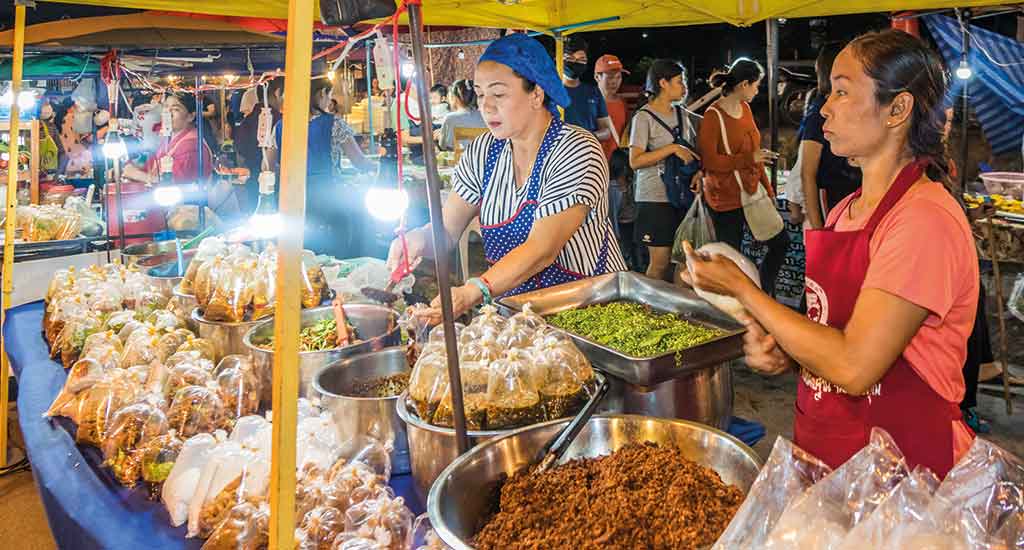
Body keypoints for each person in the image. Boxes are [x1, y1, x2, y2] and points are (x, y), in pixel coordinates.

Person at [683, 30, 979, 478]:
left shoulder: (923, 220)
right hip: (831, 458)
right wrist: (785, 354)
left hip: (906, 476)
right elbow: (828, 337)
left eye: (842, 91)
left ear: (898, 109)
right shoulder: (843, 211)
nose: (824, 106)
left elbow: (854, 365)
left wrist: (743, 290)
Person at [387, 33, 627, 321]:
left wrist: (474, 290)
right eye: (480, 94)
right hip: (519, 313)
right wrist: (418, 238)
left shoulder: (577, 149)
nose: (486, 106)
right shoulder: (483, 151)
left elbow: (542, 249)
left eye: (498, 94)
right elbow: (447, 230)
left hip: (590, 311)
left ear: (536, 94)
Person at [698, 58, 789, 297]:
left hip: (751, 191)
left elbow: (755, 156)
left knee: (781, 242)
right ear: (744, 84)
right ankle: (735, 306)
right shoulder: (713, 116)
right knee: (730, 256)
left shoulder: (746, 109)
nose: (758, 91)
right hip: (724, 197)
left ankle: (762, 291)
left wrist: (768, 191)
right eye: (756, 85)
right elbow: (710, 162)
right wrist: (749, 158)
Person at [629, 59, 701, 282]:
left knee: (682, 261)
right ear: (663, 83)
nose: (684, 87)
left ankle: (678, 314)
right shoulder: (643, 117)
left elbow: (693, 151)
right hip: (654, 198)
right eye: (680, 82)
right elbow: (635, 160)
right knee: (659, 263)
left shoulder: (683, 114)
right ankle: (651, 313)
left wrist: (698, 172)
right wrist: (672, 149)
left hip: (681, 197)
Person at [801, 44, 862, 228]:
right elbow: (807, 173)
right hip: (833, 197)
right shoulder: (819, 111)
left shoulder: (853, 105)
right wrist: (817, 228)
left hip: (855, 194)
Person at [122, 92, 213, 185]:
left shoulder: (191, 146)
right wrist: (129, 168)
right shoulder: (169, 139)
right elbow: (150, 165)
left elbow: (173, 184)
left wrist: (137, 175)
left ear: (191, 116)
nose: (168, 113)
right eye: (165, 107)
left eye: (176, 109)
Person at [235, 77, 284, 211]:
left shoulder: (246, 121)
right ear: (278, 92)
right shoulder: (281, 122)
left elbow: (240, 153)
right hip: (276, 185)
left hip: (252, 181)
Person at [561, 37, 615, 143]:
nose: (576, 62)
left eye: (581, 60)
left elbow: (607, 131)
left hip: (589, 153)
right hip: (558, 155)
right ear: (559, 59)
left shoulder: (593, 92)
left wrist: (588, 136)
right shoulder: (550, 92)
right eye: (570, 58)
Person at [608, 149, 640, 269]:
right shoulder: (611, 188)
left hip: (632, 224)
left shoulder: (632, 183)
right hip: (620, 228)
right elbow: (611, 213)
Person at [595, 53, 630, 160]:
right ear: (597, 77)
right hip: (595, 163)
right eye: (610, 77)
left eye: (618, 77)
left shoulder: (622, 103)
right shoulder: (588, 102)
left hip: (618, 167)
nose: (614, 81)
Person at [435, 79, 486, 151]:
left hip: (461, 160)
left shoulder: (450, 118)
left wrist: (440, 136)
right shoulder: (485, 115)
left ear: (455, 98)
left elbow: (444, 146)